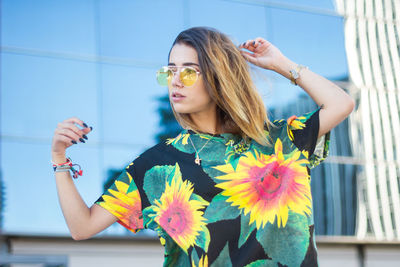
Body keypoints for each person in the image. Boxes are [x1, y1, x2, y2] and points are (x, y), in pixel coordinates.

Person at [51, 27, 355, 266]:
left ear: (217, 76)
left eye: (187, 71)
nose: (175, 81)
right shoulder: (159, 165)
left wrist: (281, 64)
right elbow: (83, 226)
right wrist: (59, 160)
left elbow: (341, 103)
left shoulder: (277, 141)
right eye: (169, 71)